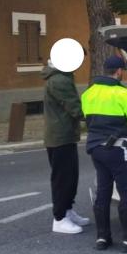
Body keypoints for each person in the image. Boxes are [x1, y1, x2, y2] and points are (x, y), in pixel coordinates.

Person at [82, 56, 127, 252]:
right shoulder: (123, 93)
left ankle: (102, 238)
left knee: (103, 192)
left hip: (96, 149)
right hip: (118, 150)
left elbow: (89, 120)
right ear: (119, 71)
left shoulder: (89, 93)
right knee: (126, 194)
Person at [42, 60, 90, 234]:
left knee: (70, 176)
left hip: (64, 134)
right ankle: (60, 218)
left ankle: (68, 210)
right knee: (62, 178)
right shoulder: (59, 81)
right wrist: (96, 116)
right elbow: (75, 108)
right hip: (60, 136)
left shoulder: (61, 77)